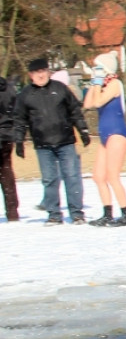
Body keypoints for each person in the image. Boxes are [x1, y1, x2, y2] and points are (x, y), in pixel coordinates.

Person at [12, 59, 90, 225]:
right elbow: (19, 120)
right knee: (49, 179)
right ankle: (54, 213)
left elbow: (75, 111)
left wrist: (83, 130)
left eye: (43, 71)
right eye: (36, 72)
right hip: (43, 144)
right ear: (30, 75)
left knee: (72, 177)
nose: (40, 75)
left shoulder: (60, 89)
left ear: (48, 72)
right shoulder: (25, 95)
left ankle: (76, 212)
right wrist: (18, 141)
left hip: (65, 141)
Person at [83, 52, 126, 227]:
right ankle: (107, 213)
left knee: (112, 176)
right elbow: (88, 104)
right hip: (105, 136)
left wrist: (98, 83)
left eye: (98, 68)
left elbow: (98, 103)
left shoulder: (115, 84)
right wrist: (93, 83)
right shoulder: (101, 86)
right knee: (98, 176)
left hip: (117, 135)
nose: (96, 71)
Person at [0, 75, 19, 222]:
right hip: (6, 134)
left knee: (6, 171)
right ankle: (12, 211)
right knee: (6, 172)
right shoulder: (9, 88)